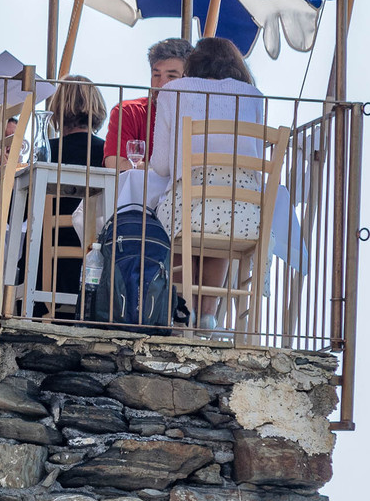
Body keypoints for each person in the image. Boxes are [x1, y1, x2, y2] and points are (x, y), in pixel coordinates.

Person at [146, 35, 270, 321]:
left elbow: (161, 166)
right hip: (246, 215)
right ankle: (207, 314)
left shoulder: (174, 91)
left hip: (189, 209)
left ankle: (180, 307)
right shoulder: (254, 97)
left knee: (181, 217)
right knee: (221, 219)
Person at [43, 78, 107, 305]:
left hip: (47, 262)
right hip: (95, 253)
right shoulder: (109, 154)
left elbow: (17, 213)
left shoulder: (46, 152)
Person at [104, 36, 191, 166]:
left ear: (189, 80)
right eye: (156, 75)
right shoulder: (129, 112)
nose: (161, 84)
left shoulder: (202, 115)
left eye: (171, 76)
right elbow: (114, 163)